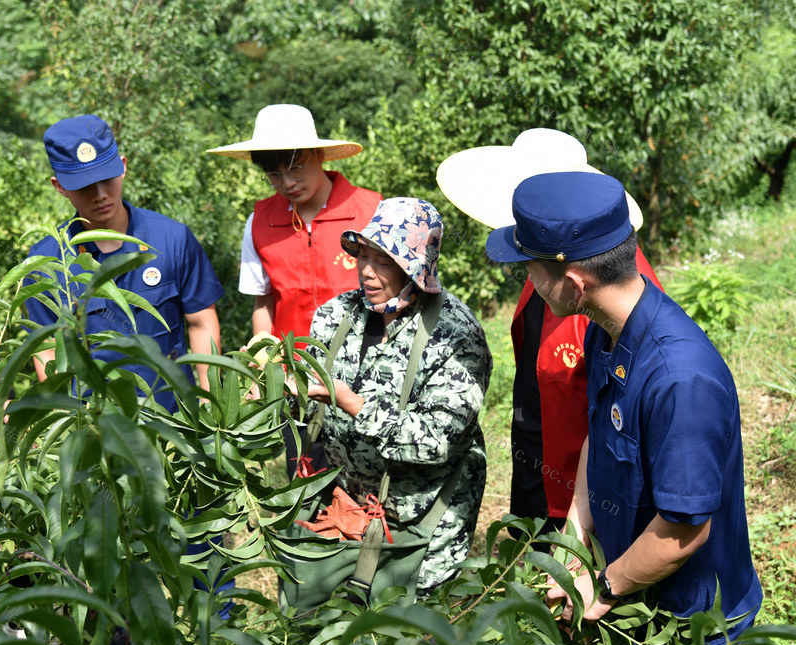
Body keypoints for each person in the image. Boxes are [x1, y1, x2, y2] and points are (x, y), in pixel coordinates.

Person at [485, 171, 762, 645]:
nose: (525, 278)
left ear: (573, 282)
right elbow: (599, 433)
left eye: (530, 267)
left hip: (687, 625)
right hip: (635, 596)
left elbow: (683, 531)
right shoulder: (606, 329)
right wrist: (575, 539)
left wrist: (604, 586)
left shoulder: (680, 379)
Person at [437, 129, 663, 543]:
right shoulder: (544, 263)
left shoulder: (611, 284)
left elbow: (623, 415)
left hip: (584, 484)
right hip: (539, 447)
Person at [304, 197, 492, 596]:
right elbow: (308, 395)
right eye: (363, 257)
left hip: (424, 522)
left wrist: (353, 404)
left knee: (413, 635)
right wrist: (271, 390)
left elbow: (436, 440)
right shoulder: (337, 315)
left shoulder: (455, 334)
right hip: (350, 508)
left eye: (385, 262)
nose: (368, 273)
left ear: (416, 268)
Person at [25, 114, 223, 412]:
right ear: (59, 187)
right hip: (96, 432)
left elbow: (201, 322)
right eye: (85, 186)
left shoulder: (172, 239)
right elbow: (49, 353)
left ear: (123, 167)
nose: (100, 194)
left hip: (176, 427)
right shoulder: (48, 264)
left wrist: (213, 407)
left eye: (106, 179)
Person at [207, 103, 381, 342]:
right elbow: (264, 301)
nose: (288, 183)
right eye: (274, 174)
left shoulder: (372, 211)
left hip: (363, 361)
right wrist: (265, 356)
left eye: (296, 167)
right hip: (292, 366)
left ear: (318, 154)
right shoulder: (260, 222)